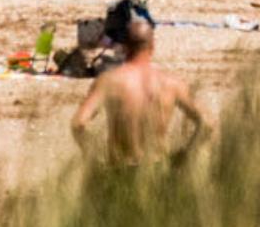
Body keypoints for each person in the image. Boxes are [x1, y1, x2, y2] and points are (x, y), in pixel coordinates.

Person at [70, 18, 208, 166]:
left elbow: (78, 124)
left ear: (124, 48)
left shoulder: (109, 82)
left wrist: (95, 160)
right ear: (152, 46)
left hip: (119, 172)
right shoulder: (171, 83)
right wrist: (185, 155)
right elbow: (207, 123)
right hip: (158, 172)